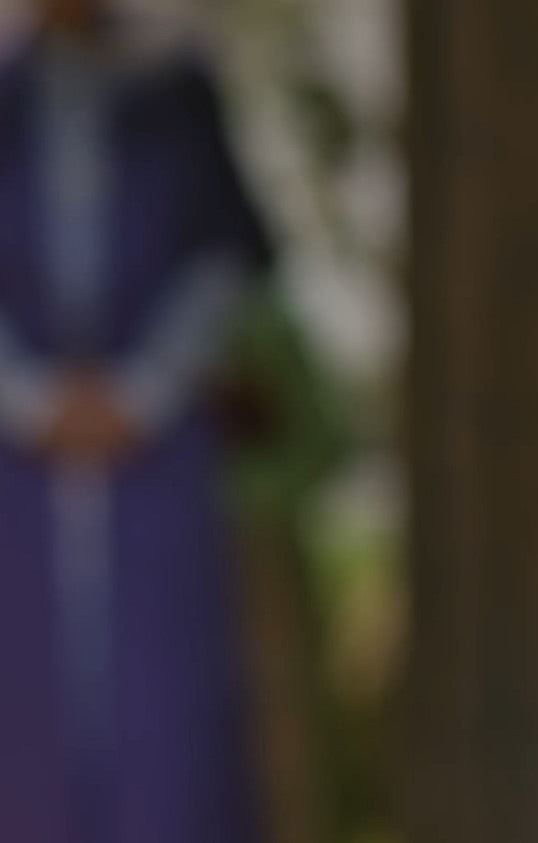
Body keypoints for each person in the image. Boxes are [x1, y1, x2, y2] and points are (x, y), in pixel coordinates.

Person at [0, 0, 273, 839]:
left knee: (168, 713)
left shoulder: (174, 88)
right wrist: (27, 398)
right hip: (17, 458)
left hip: (156, 449)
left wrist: (144, 392)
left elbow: (226, 254)